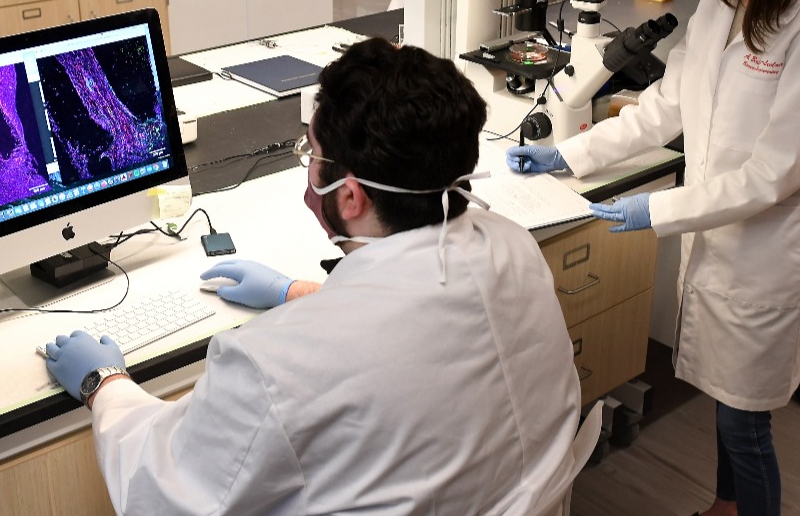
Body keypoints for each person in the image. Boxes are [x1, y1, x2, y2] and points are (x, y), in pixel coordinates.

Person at [43, 37, 584, 514]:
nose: (309, 165)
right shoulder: (511, 245)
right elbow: (419, 318)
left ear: (347, 195)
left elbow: (161, 491)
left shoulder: (271, 366)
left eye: (312, 151)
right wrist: (295, 293)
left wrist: (105, 386)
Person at [508, 0, 800, 516]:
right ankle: (724, 507)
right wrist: (569, 153)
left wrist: (657, 208)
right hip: (719, 241)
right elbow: (663, 106)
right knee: (726, 408)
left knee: (743, 423)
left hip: (765, 254)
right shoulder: (724, 1)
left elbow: (772, 175)